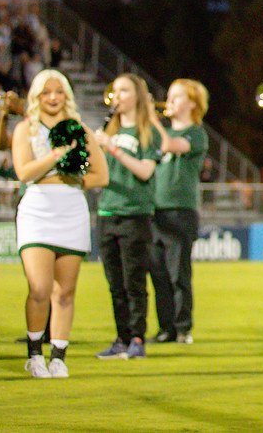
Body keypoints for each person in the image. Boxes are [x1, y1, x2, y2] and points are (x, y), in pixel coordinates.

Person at [14, 68, 109, 377]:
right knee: (39, 288)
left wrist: (71, 181)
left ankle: (58, 357)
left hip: (72, 210)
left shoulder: (79, 130)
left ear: (66, 95)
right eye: (46, 92)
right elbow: (25, 172)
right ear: (36, 97)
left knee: (65, 292)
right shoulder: (26, 128)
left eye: (58, 92)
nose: (53, 97)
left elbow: (101, 176)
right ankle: (34, 355)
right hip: (38, 209)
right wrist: (57, 156)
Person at [89, 73, 162, 360]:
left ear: (137, 97)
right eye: (114, 91)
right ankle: (120, 337)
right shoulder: (111, 129)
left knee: (134, 282)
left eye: (123, 90)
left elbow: (145, 171)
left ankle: (137, 338)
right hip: (107, 212)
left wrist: (112, 147)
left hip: (135, 214)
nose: (116, 96)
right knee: (114, 283)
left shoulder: (148, 132)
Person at [151, 78, 209, 344]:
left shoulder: (195, 133)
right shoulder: (158, 133)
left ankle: (183, 327)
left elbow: (170, 146)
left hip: (180, 212)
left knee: (178, 273)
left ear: (193, 104)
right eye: (169, 96)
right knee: (158, 274)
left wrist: (150, 121)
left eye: (177, 97)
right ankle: (166, 329)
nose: (169, 101)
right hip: (153, 211)